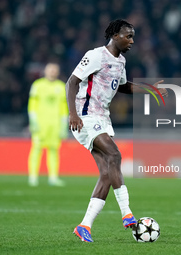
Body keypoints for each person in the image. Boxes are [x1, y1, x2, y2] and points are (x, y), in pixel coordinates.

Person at [66, 19, 168, 242]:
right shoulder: (95, 55)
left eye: (133, 37)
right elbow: (72, 82)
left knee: (106, 174)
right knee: (115, 155)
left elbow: (123, 86)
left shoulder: (120, 61)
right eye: (128, 36)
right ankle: (127, 213)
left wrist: (149, 89)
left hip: (102, 119)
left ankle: (84, 226)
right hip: (85, 117)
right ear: (115, 36)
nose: (132, 41)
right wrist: (72, 114)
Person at [28, 63, 68, 187]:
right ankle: (33, 177)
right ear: (45, 71)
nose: (52, 72)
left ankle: (53, 177)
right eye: (50, 70)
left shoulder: (61, 86)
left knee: (54, 150)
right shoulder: (38, 85)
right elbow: (32, 105)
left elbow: (63, 107)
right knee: (36, 149)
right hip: (41, 123)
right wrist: (33, 121)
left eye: (54, 70)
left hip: (55, 124)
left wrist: (64, 124)